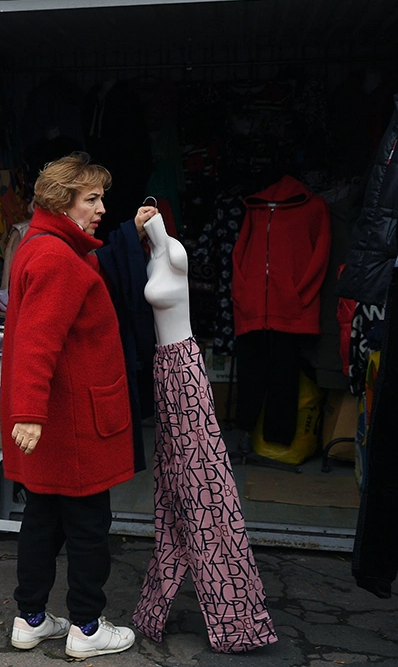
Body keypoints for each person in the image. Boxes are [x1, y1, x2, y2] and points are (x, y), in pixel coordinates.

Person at [0, 152, 156, 659]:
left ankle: (31, 619)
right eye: (91, 199)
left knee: (42, 521)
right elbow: (38, 343)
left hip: (54, 421)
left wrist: (129, 231)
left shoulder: (44, 244)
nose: (101, 208)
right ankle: (87, 629)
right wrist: (29, 411)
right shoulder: (57, 258)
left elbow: (93, 267)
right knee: (88, 527)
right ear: (62, 203)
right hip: (70, 423)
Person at [132, 212, 278, 652]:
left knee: (206, 488)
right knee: (176, 487)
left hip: (185, 369)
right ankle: (160, 603)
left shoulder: (174, 252)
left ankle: (238, 616)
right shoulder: (152, 254)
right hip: (165, 369)